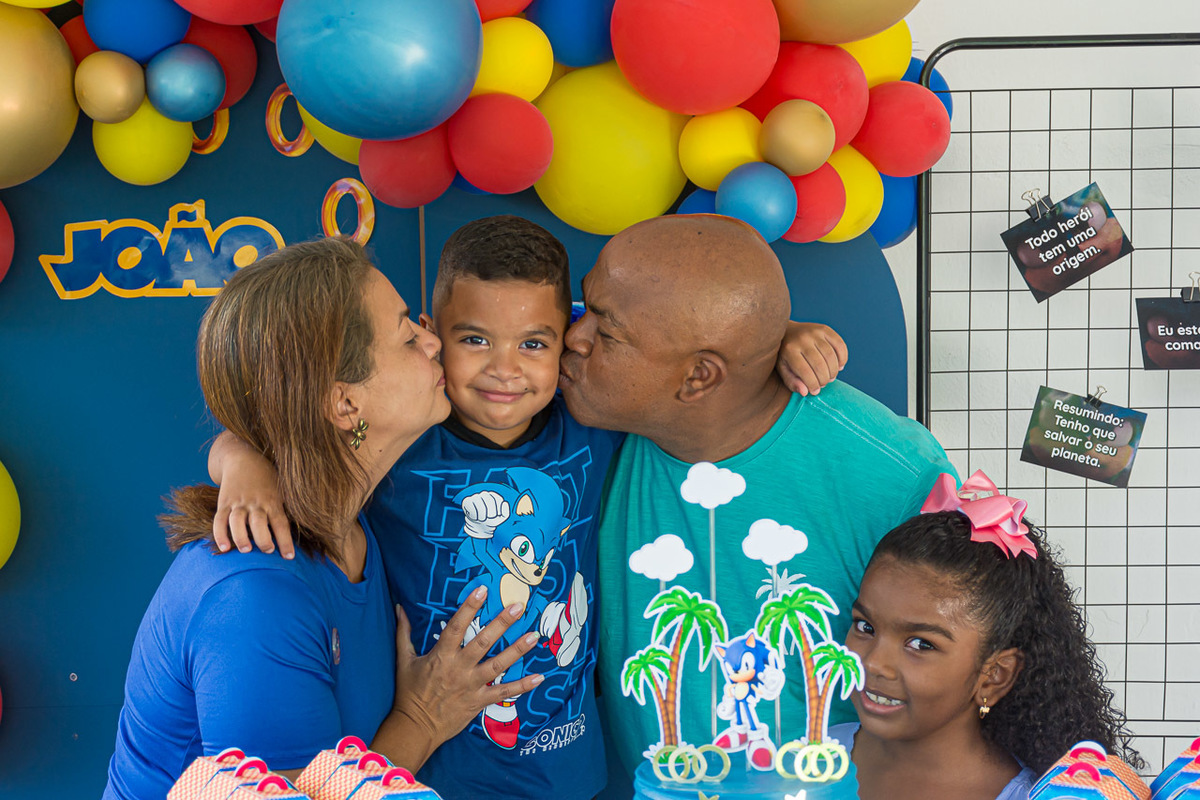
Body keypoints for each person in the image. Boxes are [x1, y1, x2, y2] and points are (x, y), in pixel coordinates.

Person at [206, 215, 848, 800]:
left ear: (565, 340)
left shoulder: (588, 412)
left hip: (571, 772)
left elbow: (678, 339)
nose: (505, 370)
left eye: (534, 346)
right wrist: (242, 459)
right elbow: (285, 419)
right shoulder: (409, 429)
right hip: (431, 772)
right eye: (475, 340)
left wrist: (774, 338)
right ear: (431, 335)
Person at [103, 238, 543, 800]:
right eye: (409, 336)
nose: (436, 342)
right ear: (344, 405)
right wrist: (423, 720)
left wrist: (238, 454)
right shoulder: (256, 597)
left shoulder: (351, 524)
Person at [556, 214, 957, 778]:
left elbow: (964, 697)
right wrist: (774, 333)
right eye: (584, 306)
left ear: (698, 378)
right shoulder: (584, 411)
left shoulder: (898, 477)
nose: (573, 338)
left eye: (605, 328)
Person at [832, 472, 1143, 800]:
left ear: (994, 676)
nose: (875, 663)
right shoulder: (810, 756)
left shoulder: (1032, 795)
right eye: (865, 627)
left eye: (921, 644)